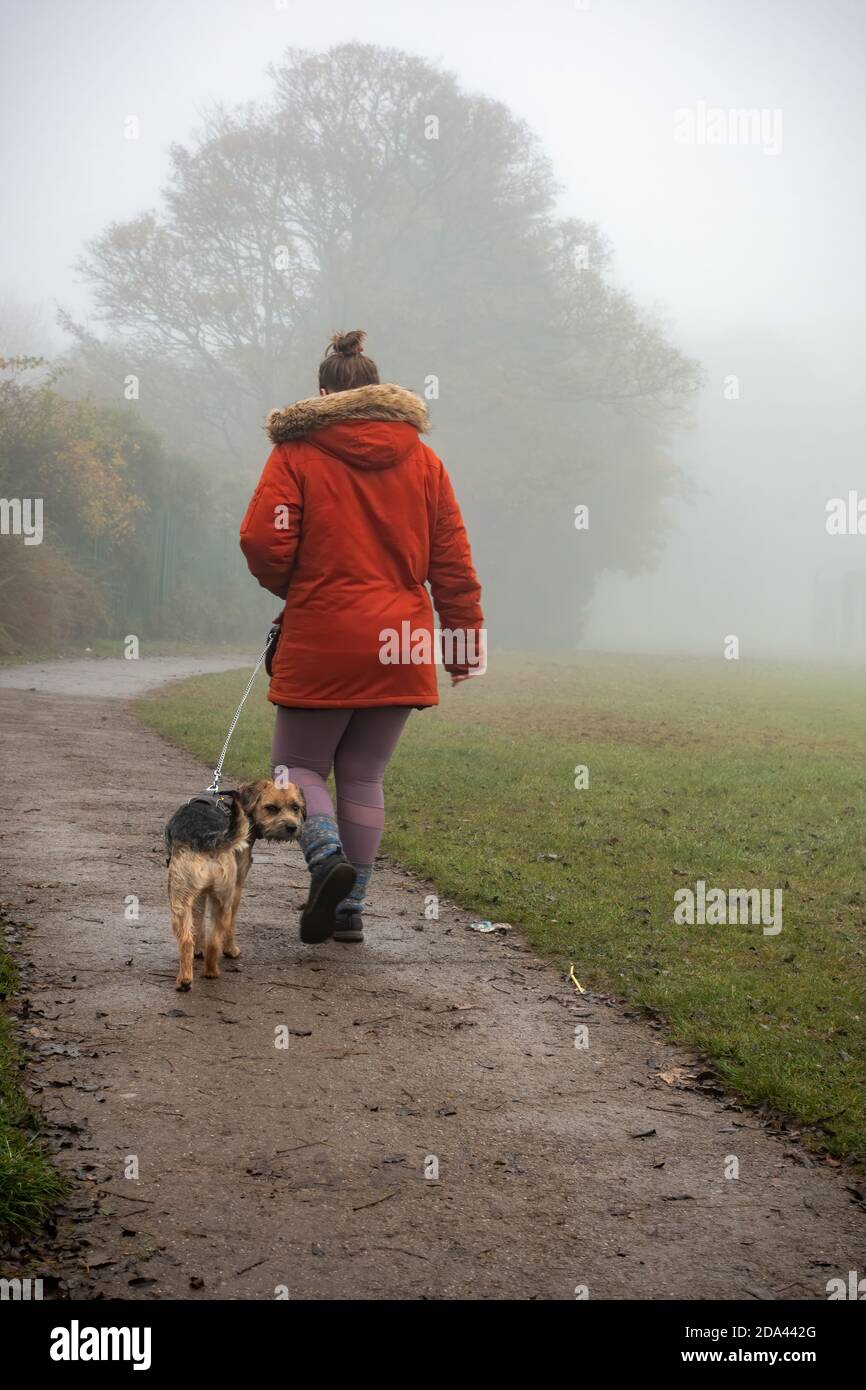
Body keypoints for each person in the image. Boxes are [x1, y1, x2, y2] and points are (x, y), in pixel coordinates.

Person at [240, 330, 484, 944]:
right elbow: (451, 559)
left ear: (323, 392)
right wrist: (462, 643)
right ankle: (351, 912)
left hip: (325, 631)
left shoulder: (295, 452)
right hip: (402, 640)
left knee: (296, 766)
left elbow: (263, 540)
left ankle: (326, 862)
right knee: (364, 776)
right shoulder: (425, 460)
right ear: (379, 392)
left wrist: (292, 586)